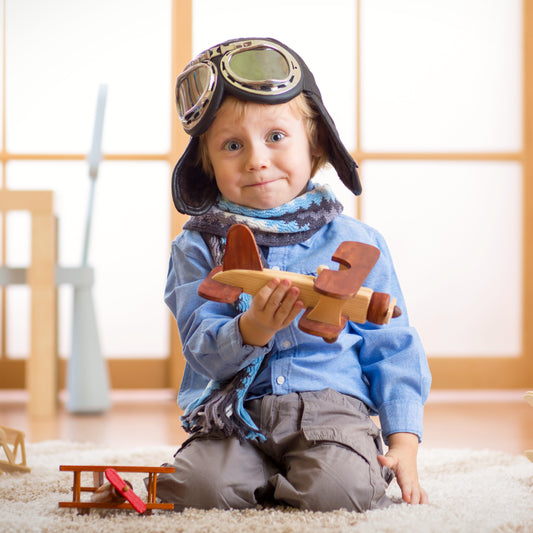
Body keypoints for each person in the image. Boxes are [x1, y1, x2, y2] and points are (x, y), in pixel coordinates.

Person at [157, 37, 432, 512]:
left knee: (339, 489)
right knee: (196, 490)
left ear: (316, 143)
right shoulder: (196, 245)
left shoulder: (359, 241)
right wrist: (253, 329)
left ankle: (299, 480)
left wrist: (403, 441)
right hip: (234, 418)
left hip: (333, 414)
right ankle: (259, 476)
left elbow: (393, 346)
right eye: (232, 145)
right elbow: (200, 348)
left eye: (276, 137)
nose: (256, 159)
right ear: (207, 164)